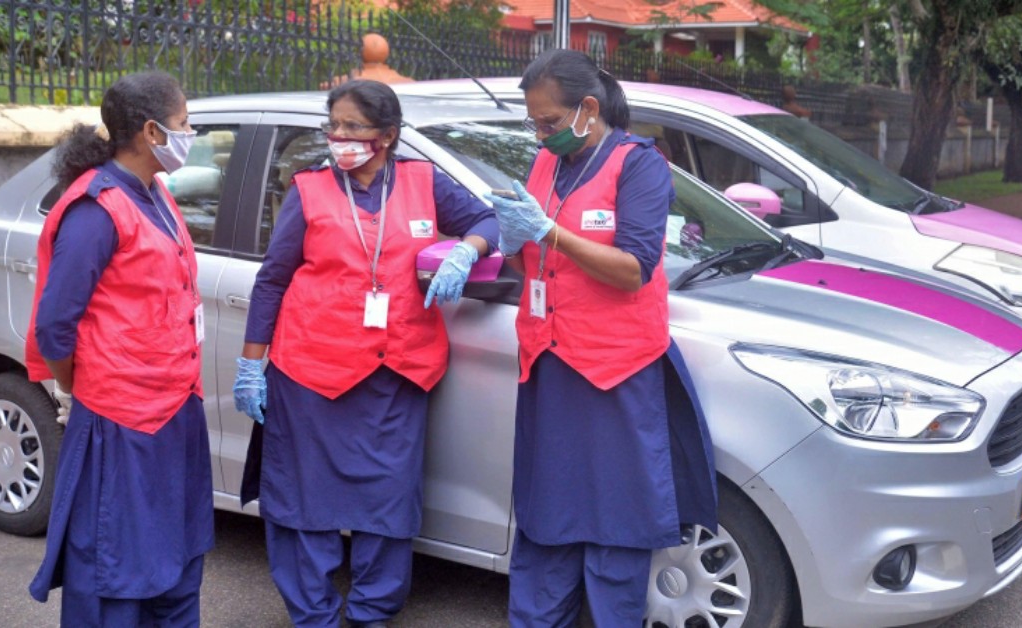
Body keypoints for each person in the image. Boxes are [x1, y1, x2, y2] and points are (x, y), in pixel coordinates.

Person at [231, 79, 498, 628]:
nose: (340, 137)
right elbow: (273, 280)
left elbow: (489, 221)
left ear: (388, 135)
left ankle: (372, 611)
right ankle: (314, 614)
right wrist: (251, 364)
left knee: (388, 502)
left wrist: (465, 253)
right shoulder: (310, 190)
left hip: (397, 373)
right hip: (311, 373)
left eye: (354, 126)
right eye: (335, 125)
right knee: (305, 504)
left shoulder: (424, 183)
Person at [484, 49, 719, 626]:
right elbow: (534, 265)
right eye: (533, 123)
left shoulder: (638, 165)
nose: (540, 134)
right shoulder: (548, 164)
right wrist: (507, 244)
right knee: (545, 513)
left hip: (615, 368)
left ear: (588, 109)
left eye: (548, 122)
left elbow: (634, 268)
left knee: (618, 518)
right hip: (549, 360)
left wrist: (551, 233)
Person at [25, 71, 214, 626]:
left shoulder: (155, 193)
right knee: (117, 563)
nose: (190, 132)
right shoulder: (96, 209)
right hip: (121, 419)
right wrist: (76, 387)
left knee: (176, 550)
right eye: (184, 124)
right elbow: (55, 326)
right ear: (153, 132)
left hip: (175, 405)